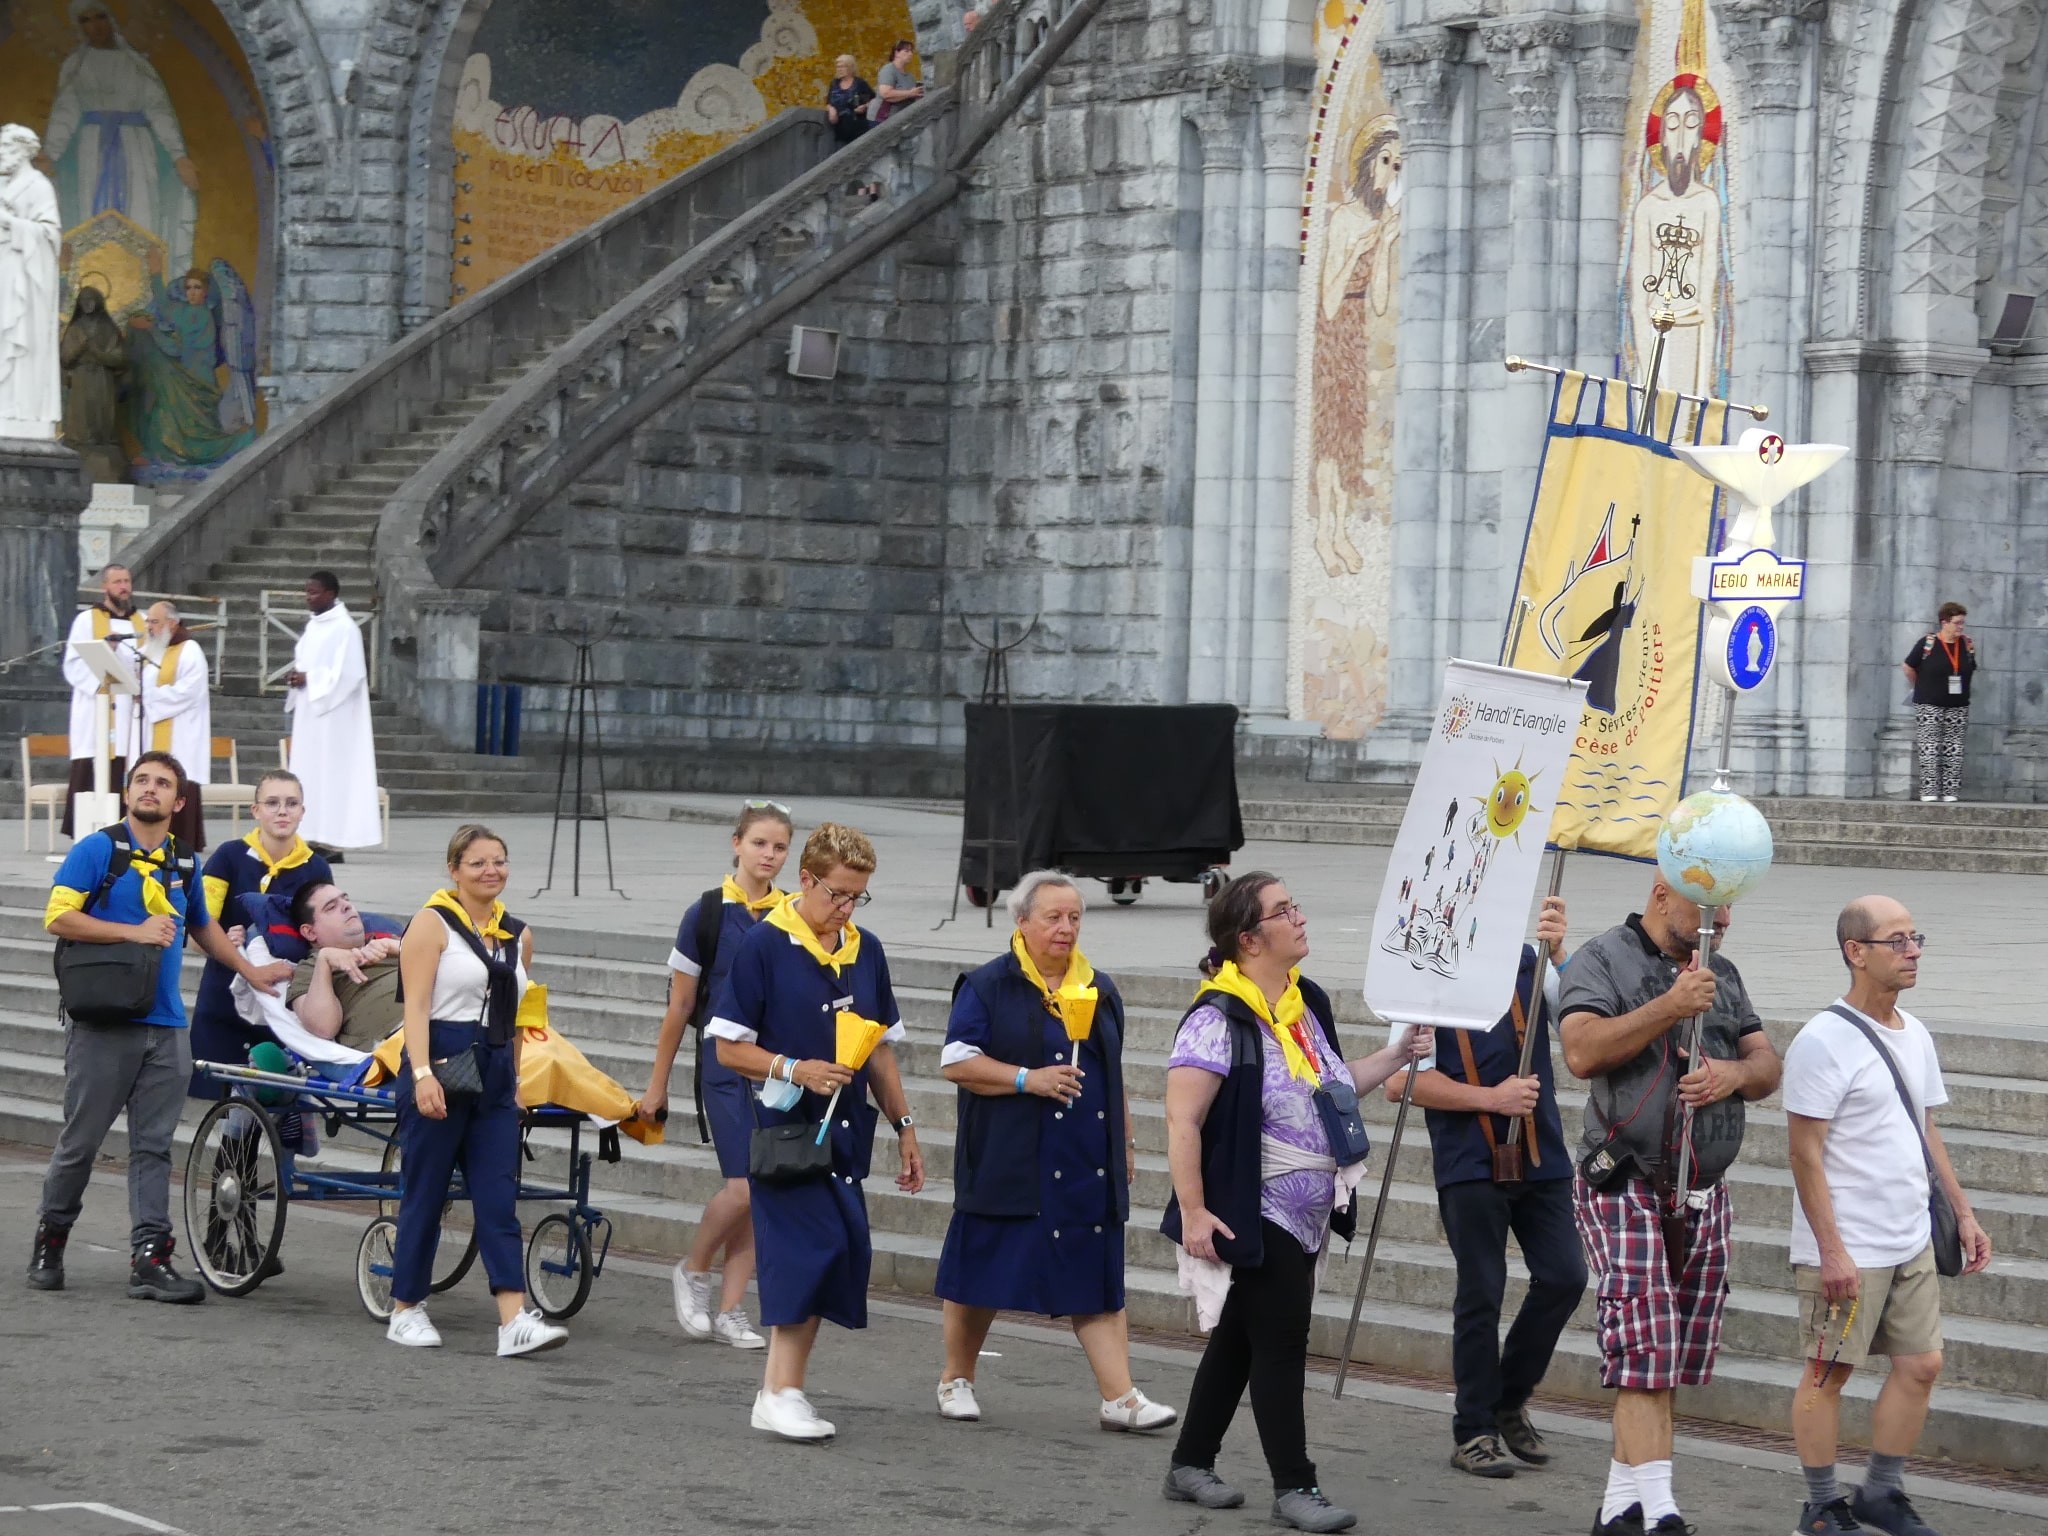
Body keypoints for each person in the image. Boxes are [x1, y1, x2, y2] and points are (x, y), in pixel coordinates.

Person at [1161, 872, 1432, 1533]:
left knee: (1239, 1339)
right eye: (1284, 911)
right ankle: (1295, 1486)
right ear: (1249, 939)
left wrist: (1397, 1054)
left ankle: (1189, 1462)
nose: (1300, 917)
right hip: (1256, 1209)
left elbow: (1336, 1089)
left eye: (1295, 905)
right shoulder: (1217, 1018)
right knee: (1281, 1341)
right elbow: (1182, 1120)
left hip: (1310, 1211)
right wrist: (1193, 1211)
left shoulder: (1303, 1003)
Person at [1559, 878, 1783, 1536]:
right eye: (1710, 907)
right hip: (1626, 1177)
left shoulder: (1723, 972)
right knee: (1646, 1346)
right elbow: (1581, 1051)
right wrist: (1669, 1006)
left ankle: (1619, 1507)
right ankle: (1662, 1514)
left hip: (1705, 1187)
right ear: (1662, 894)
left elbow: (1767, 1065)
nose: (1725, 919)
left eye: (1729, 906)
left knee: (1667, 1355)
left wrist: (1734, 1075)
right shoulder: (1603, 957)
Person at [28, 752, 290, 1299]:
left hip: (166, 1025)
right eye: (142, 781)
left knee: (153, 1147)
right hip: (104, 1021)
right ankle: (51, 1238)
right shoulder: (98, 849)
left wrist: (250, 970)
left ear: (179, 800)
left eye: (163, 783)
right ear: (127, 794)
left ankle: (150, 1258)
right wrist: (134, 932)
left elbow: (202, 926)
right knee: (81, 1142)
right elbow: (58, 916)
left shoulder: (185, 860)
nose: (151, 789)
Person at [933, 870, 1176, 1431]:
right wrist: (1028, 1079)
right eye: (1053, 917)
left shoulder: (1100, 988)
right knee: (980, 1272)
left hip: (1085, 1158)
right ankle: (955, 1378)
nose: (1066, 928)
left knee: (1096, 1278)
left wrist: (1125, 1143)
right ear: (1022, 922)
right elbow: (956, 1061)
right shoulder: (988, 985)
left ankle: (1120, 1398)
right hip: (1009, 1157)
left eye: (1074, 917)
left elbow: (1110, 1074)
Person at [708, 822, 925, 1441]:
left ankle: (782, 1390)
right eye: (838, 894)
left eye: (858, 896)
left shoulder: (866, 949)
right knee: (807, 1252)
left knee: (836, 1253)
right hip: (786, 1133)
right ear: (805, 880)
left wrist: (905, 1126)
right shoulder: (765, 945)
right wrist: (794, 1068)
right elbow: (727, 1048)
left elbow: (878, 1049)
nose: (847, 908)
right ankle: (780, 1391)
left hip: (845, 1134)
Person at [1782, 898, 1991, 1536]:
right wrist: (1831, 1250)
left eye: (1915, 938)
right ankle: (1822, 1505)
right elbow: (1803, 1153)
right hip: (1849, 1243)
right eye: (1897, 941)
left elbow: (1925, 1128)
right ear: (1856, 952)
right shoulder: (1822, 1041)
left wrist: (1963, 1212)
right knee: (1828, 1372)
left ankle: (1880, 1491)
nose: (1914, 951)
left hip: (1910, 1237)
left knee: (1923, 1365)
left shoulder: (1915, 1032)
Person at [1384, 895, 1586, 1478]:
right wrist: (1491, 1099)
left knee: (1566, 1276)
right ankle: (1473, 1429)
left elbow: (1580, 1025)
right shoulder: (1426, 969)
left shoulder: (1530, 962)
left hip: (1541, 1153)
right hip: (1469, 1158)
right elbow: (1402, 1081)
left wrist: (1561, 954)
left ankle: (1508, 1397)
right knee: (1483, 1290)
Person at [387, 824, 567, 1357]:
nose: (491, 871)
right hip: (442, 1058)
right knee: (426, 1190)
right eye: (478, 863)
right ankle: (405, 1307)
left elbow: (518, 1015)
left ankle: (513, 1319)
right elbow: (416, 1006)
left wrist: (515, 1082)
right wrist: (422, 1074)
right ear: (454, 870)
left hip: (493, 1071)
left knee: (497, 1195)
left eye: (499, 861)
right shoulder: (431, 923)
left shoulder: (518, 934)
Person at [639, 799, 796, 1350]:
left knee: (762, 1190)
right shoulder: (706, 913)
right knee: (744, 1185)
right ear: (737, 844)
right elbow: (680, 1007)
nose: (769, 855)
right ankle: (694, 1267)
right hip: (723, 1063)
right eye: (759, 843)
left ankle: (732, 1309)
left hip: (775, 1069)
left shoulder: (792, 913)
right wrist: (657, 1084)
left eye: (780, 847)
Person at [188, 770, 330, 1096]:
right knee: (221, 1103)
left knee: (278, 1103)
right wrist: (224, 941)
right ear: (255, 810)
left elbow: (323, 935)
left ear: (302, 811)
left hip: (282, 1006)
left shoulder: (316, 868)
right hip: (224, 1000)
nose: (282, 811)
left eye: (291, 803)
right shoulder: (228, 857)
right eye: (272, 803)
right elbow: (197, 934)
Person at [125, 251, 256, 469]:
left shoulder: (199, 316)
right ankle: (160, 455)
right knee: (163, 412)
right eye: (188, 288)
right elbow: (167, 309)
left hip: (195, 380)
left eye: (197, 287)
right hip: (184, 377)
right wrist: (156, 275)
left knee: (188, 425)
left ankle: (239, 443)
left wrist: (151, 329)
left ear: (206, 292)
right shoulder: (189, 311)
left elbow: (175, 349)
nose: (192, 292)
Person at [285, 571, 381, 851]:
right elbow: (305, 662)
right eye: (307, 592)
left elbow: (351, 674)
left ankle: (334, 839)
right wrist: (297, 677)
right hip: (310, 714)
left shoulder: (345, 628)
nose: (308, 597)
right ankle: (310, 834)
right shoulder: (313, 627)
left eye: (314, 592)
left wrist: (311, 679)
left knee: (332, 775)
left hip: (336, 717)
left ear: (330, 594)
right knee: (310, 774)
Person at [60, 563, 140, 837]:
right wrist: (103, 665)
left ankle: (122, 834)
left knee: (123, 768)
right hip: (96, 710)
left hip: (128, 712)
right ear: (105, 586)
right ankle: (85, 835)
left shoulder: (140, 622)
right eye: (117, 582)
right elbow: (73, 663)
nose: (124, 587)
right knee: (91, 769)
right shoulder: (86, 621)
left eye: (127, 581)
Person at [286, 882, 404, 1053]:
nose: (347, 906)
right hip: (406, 1037)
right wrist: (325, 961)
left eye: (346, 899)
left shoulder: (387, 943)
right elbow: (323, 1028)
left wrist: (398, 947)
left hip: (440, 1007)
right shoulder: (310, 969)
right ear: (310, 932)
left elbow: (446, 962)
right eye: (331, 907)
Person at [0, 123, 63, 439]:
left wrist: (11, 223)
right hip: (2, 272)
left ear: (23, 151)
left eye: (6, 147)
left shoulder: (38, 186)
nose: (0, 153)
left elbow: (50, 234)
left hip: (24, 277)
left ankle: (22, 409)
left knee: (21, 341)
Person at [139, 601, 209, 850]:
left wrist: (150, 698)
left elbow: (190, 691)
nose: (150, 627)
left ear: (172, 623)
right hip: (151, 728)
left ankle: (182, 843)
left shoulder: (190, 650)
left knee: (178, 779)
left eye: (155, 622)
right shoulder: (152, 650)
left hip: (181, 732)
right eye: (148, 622)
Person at [1901, 604, 1975, 804]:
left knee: (1954, 747)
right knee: (1929, 747)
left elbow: (1970, 668)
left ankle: (1950, 791)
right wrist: (1920, 685)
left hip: (1958, 703)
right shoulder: (1928, 643)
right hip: (1929, 702)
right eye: (1957, 623)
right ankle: (1929, 790)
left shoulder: (1967, 644)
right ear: (1944, 622)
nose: (1961, 627)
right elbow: (1908, 666)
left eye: (1962, 623)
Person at [60, 284, 128, 483]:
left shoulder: (108, 329)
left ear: (98, 302)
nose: (87, 304)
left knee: (103, 414)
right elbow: (65, 358)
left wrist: (98, 354)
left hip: (102, 378)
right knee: (82, 415)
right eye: (83, 301)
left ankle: (102, 443)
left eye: (90, 300)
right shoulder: (75, 328)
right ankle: (81, 443)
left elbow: (120, 358)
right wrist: (80, 348)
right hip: (81, 378)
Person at [824, 56, 875, 146]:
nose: (839, 69)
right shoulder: (834, 83)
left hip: (858, 129)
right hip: (839, 131)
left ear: (850, 67)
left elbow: (873, 100)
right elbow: (828, 102)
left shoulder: (860, 83)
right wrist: (831, 109)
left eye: (842, 66)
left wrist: (865, 106)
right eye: (838, 66)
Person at [875, 41, 924, 122]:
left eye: (911, 51)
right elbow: (886, 94)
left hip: (902, 118)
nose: (910, 54)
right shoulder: (888, 70)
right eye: (906, 51)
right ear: (896, 53)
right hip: (884, 119)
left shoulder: (910, 76)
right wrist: (910, 93)